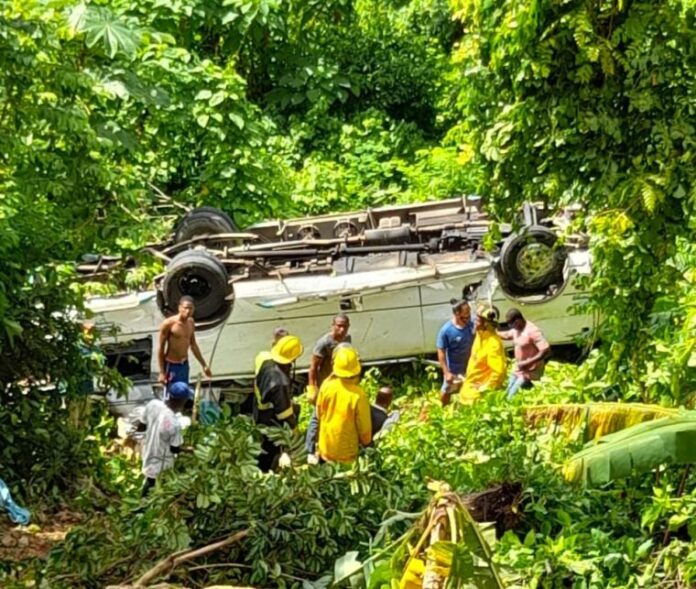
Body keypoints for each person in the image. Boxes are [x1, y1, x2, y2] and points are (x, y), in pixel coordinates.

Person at [253, 334, 304, 471]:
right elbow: (284, 414)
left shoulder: (264, 357)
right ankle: (264, 469)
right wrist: (295, 430)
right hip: (269, 416)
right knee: (269, 446)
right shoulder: (280, 383)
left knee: (261, 439)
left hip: (258, 407)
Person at [305, 314, 352, 455]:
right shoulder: (324, 343)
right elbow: (313, 367)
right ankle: (308, 449)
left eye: (344, 326)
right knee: (317, 416)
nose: (342, 329)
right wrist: (312, 388)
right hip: (325, 385)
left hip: (341, 384)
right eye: (339, 326)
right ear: (333, 326)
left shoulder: (347, 340)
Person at [315, 345, 371, 463]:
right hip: (346, 456)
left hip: (325, 448)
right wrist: (367, 444)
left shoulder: (327, 384)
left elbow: (318, 414)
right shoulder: (358, 395)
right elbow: (365, 432)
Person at [137, 381, 191, 497]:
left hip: (148, 452)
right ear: (183, 401)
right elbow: (175, 449)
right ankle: (140, 510)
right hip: (162, 461)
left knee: (149, 480)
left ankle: (140, 507)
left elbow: (141, 426)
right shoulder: (174, 424)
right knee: (156, 487)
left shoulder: (153, 404)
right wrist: (189, 450)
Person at [157, 296, 212, 398]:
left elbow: (193, 345)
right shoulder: (169, 324)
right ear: (179, 308)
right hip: (171, 365)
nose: (187, 311)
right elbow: (160, 348)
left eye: (190, 308)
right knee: (171, 394)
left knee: (183, 392)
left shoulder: (191, 323)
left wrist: (204, 365)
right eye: (185, 308)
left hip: (184, 365)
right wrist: (161, 372)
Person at [498, 308, 551, 399]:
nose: (510, 326)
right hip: (518, 369)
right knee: (506, 393)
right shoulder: (516, 330)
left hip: (530, 371)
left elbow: (546, 350)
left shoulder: (532, 331)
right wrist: (492, 331)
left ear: (518, 320)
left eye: (511, 323)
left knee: (511, 396)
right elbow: (507, 335)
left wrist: (528, 362)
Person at [459, 306, 507, 405]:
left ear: (486, 323)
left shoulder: (493, 344)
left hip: (479, 399)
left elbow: (499, 372)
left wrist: (485, 387)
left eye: (478, 320)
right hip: (468, 392)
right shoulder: (479, 335)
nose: (474, 322)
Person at [436, 299, 475, 405]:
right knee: (447, 392)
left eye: (469, 314)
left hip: (469, 367)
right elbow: (441, 352)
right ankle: (442, 411)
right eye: (466, 315)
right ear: (457, 314)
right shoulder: (446, 330)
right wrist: (446, 372)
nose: (469, 318)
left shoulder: (471, 325)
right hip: (454, 370)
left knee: (469, 390)